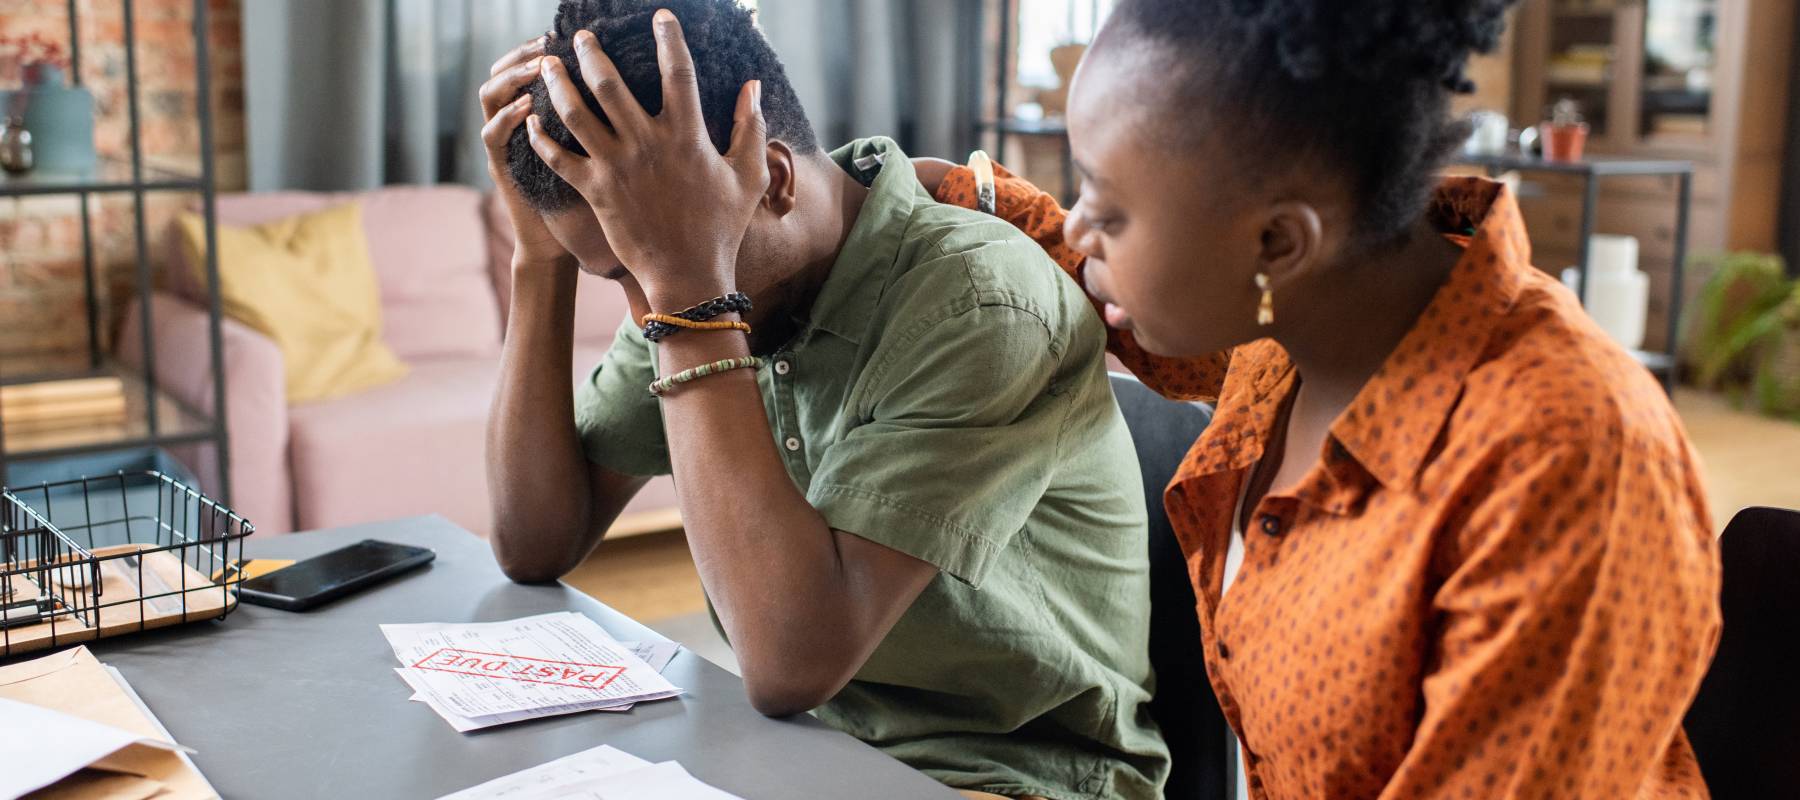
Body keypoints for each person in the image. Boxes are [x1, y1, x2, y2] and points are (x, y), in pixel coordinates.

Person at [917, 1, 1721, 797]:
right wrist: (959, 196)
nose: (1082, 230)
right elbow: (1143, 309)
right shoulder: (1309, 318)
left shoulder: (1568, 462)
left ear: (1277, 243)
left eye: (1109, 207)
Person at [479, 1, 1168, 797]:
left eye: (645, 272)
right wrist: (540, 261)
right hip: (805, 757)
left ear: (772, 179)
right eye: (618, 277)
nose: (641, 313)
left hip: (1014, 776)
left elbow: (786, 663)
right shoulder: (685, 272)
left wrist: (689, 292)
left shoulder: (980, 303)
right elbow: (535, 542)